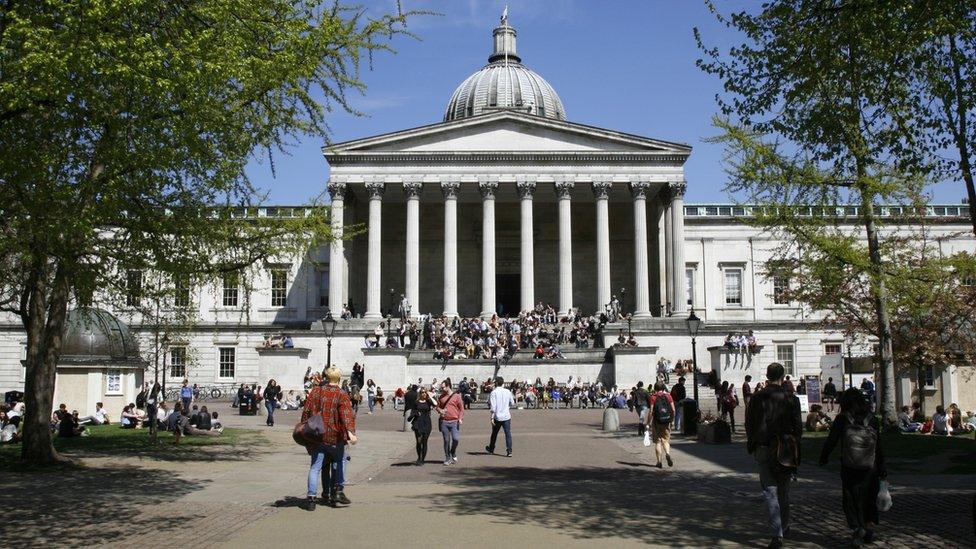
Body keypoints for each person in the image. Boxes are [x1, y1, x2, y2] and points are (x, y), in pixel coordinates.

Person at [818, 388, 887, 546]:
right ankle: (869, 526)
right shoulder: (872, 419)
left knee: (851, 497)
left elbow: (832, 440)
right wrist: (882, 467)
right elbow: (879, 446)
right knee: (869, 496)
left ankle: (857, 527)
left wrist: (824, 457)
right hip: (871, 465)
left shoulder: (843, 419)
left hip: (850, 465)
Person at [745, 362, 803, 549]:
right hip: (785, 448)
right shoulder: (791, 398)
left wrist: (752, 442)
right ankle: (785, 526)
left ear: (767, 376)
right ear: (782, 375)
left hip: (763, 447)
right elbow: (798, 429)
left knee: (770, 491)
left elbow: (749, 423)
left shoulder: (757, 398)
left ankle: (776, 533)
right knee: (784, 491)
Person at [300, 366, 357, 510]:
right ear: (338, 378)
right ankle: (338, 490)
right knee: (340, 461)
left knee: (315, 467)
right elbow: (346, 415)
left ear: (326, 377)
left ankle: (311, 498)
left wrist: (305, 428)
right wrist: (350, 432)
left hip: (318, 435)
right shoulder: (341, 394)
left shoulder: (316, 391)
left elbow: (306, 411)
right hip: (334, 436)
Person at [645, 381, 675, 468]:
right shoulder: (668, 396)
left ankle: (659, 462)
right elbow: (673, 409)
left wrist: (648, 423)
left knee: (658, 441)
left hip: (657, 421)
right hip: (666, 421)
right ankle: (668, 454)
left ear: (655, 388)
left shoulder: (653, 397)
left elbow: (651, 411)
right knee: (665, 440)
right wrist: (672, 420)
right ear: (663, 388)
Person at [435, 378, 464, 466]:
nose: (442, 389)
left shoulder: (457, 396)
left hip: (454, 421)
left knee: (456, 439)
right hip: (444, 421)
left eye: (443, 387)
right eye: (441, 388)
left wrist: (460, 418)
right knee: (446, 440)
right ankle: (447, 458)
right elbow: (437, 406)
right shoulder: (441, 397)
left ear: (448, 386)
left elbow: (461, 409)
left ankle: (453, 452)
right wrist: (440, 410)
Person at [485, 376, 515, 457]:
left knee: (494, 433)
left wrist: (491, 417)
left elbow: (493, 407)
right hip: (506, 416)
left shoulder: (494, 392)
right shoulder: (508, 391)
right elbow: (512, 403)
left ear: (496, 383)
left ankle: (491, 448)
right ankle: (509, 451)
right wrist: (507, 407)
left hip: (497, 416)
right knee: (508, 433)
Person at [408, 388, 435, 465]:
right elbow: (412, 411)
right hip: (418, 423)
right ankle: (419, 457)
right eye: (422, 392)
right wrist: (416, 413)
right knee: (419, 441)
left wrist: (430, 397)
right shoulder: (416, 402)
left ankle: (422, 459)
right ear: (420, 393)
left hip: (426, 423)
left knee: (425, 441)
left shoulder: (428, 401)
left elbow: (435, 404)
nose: (423, 394)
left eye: (425, 392)